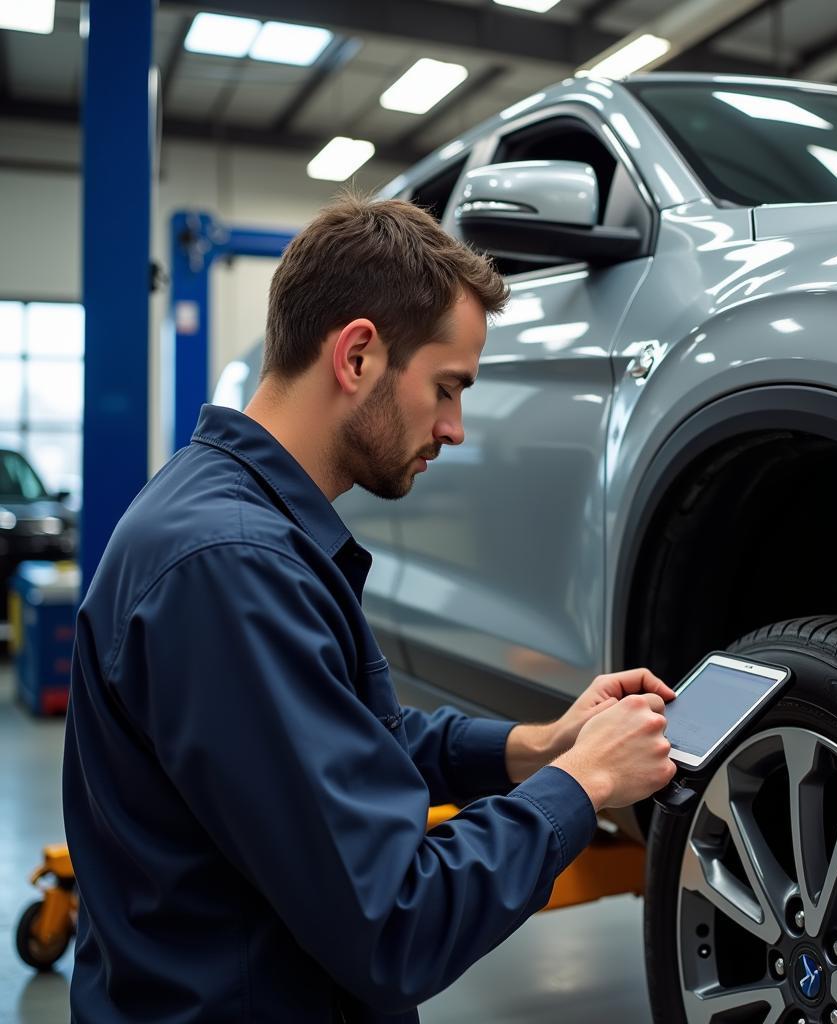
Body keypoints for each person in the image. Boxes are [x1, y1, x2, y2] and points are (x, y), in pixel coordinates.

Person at [63, 194, 677, 1023]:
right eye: (447, 388)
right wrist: (583, 781)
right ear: (357, 356)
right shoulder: (233, 569)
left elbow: (344, 742)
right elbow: (396, 922)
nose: (455, 429)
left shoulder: (232, 521)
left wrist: (535, 748)